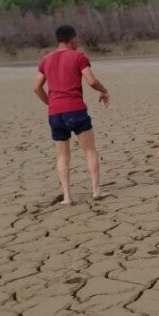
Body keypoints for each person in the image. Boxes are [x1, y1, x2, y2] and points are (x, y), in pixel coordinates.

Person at [33, 24, 110, 204]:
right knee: (90, 151)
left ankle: (67, 197)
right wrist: (104, 90)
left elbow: (36, 87)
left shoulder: (46, 59)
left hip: (55, 114)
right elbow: (91, 80)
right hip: (75, 110)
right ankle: (96, 191)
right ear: (73, 39)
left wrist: (51, 103)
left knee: (62, 156)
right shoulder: (78, 56)